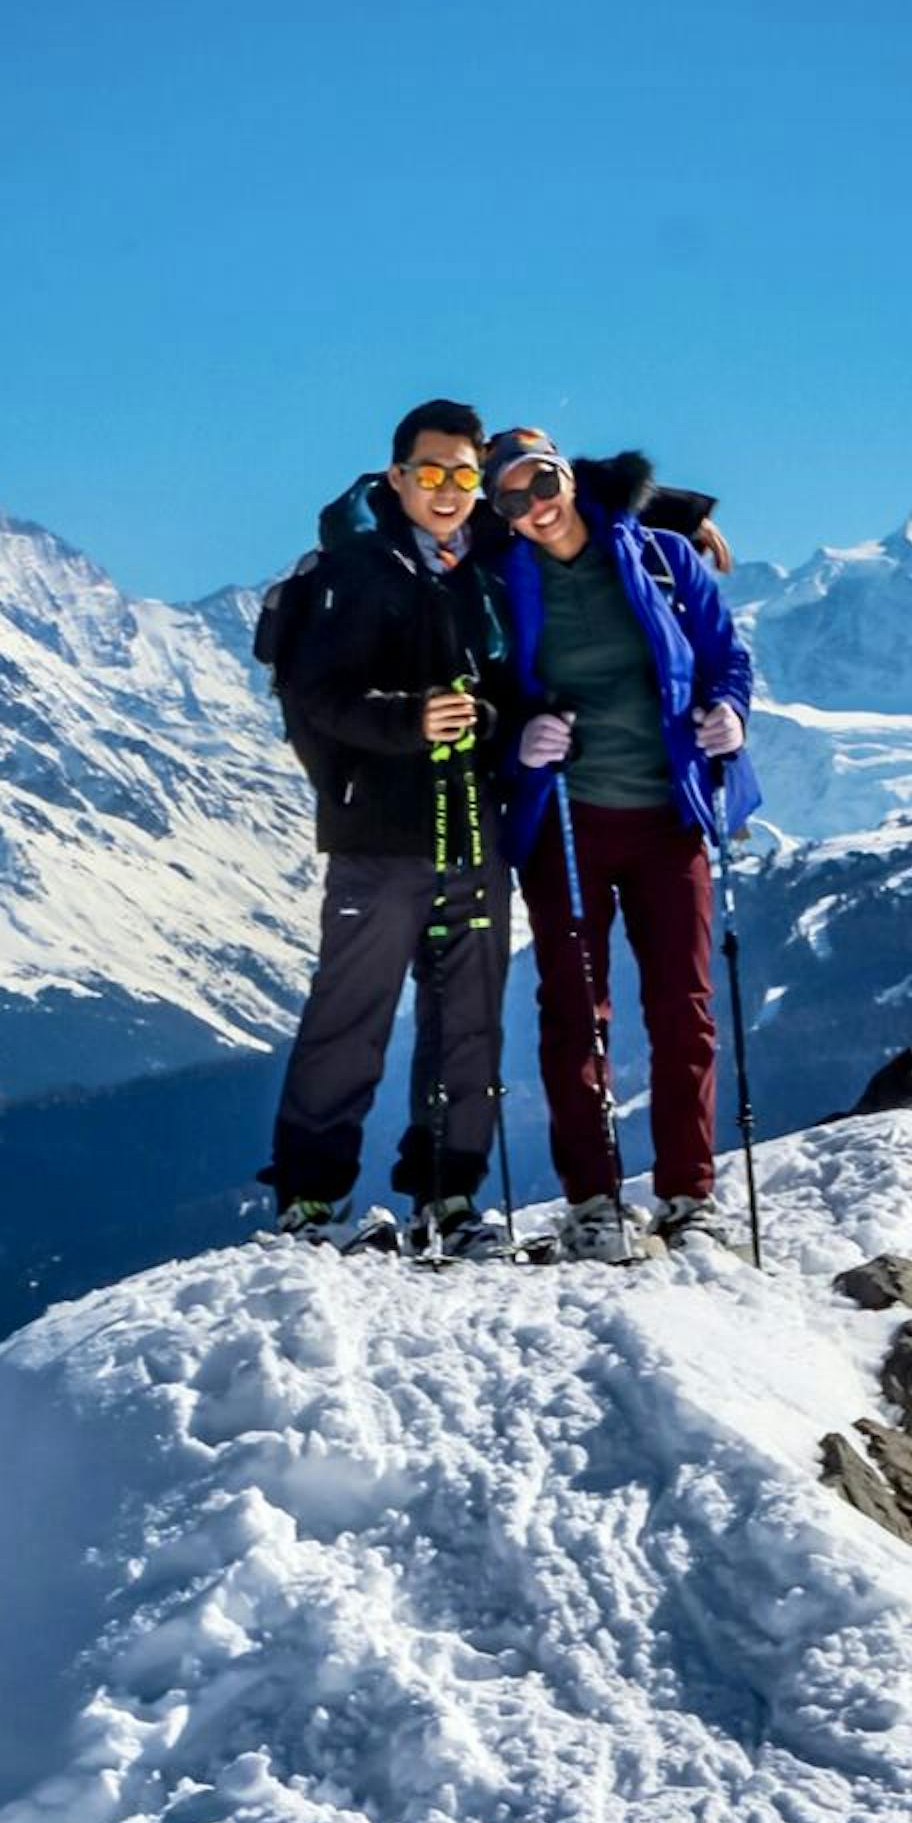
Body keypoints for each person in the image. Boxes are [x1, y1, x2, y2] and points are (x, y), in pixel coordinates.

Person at [485, 427, 761, 1262]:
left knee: (684, 1008)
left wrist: (731, 716)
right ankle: (594, 1202)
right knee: (576, 1011)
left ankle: (689, 1195)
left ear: (569, 475)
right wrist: (518, 737)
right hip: (565, 820)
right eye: (512, 497)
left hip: (670, 813)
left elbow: (726, 661)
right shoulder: (498, 584)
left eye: (543, 482)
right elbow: (484, 696)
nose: (535, 506)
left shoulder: (666, 560)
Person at [259, 399, 515, 1258]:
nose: (448, 490)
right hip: (379, 840)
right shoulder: (358, 573)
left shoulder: (487, 566)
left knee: (468, 1018)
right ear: (398, 476)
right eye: (431, 473)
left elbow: (571, 502)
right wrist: (412, 720)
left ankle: (447, 1198)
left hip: (474, 835)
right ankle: (309, 1201)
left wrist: (682, 522)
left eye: (464, 475)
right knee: (352, 1015)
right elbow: (316, 697)